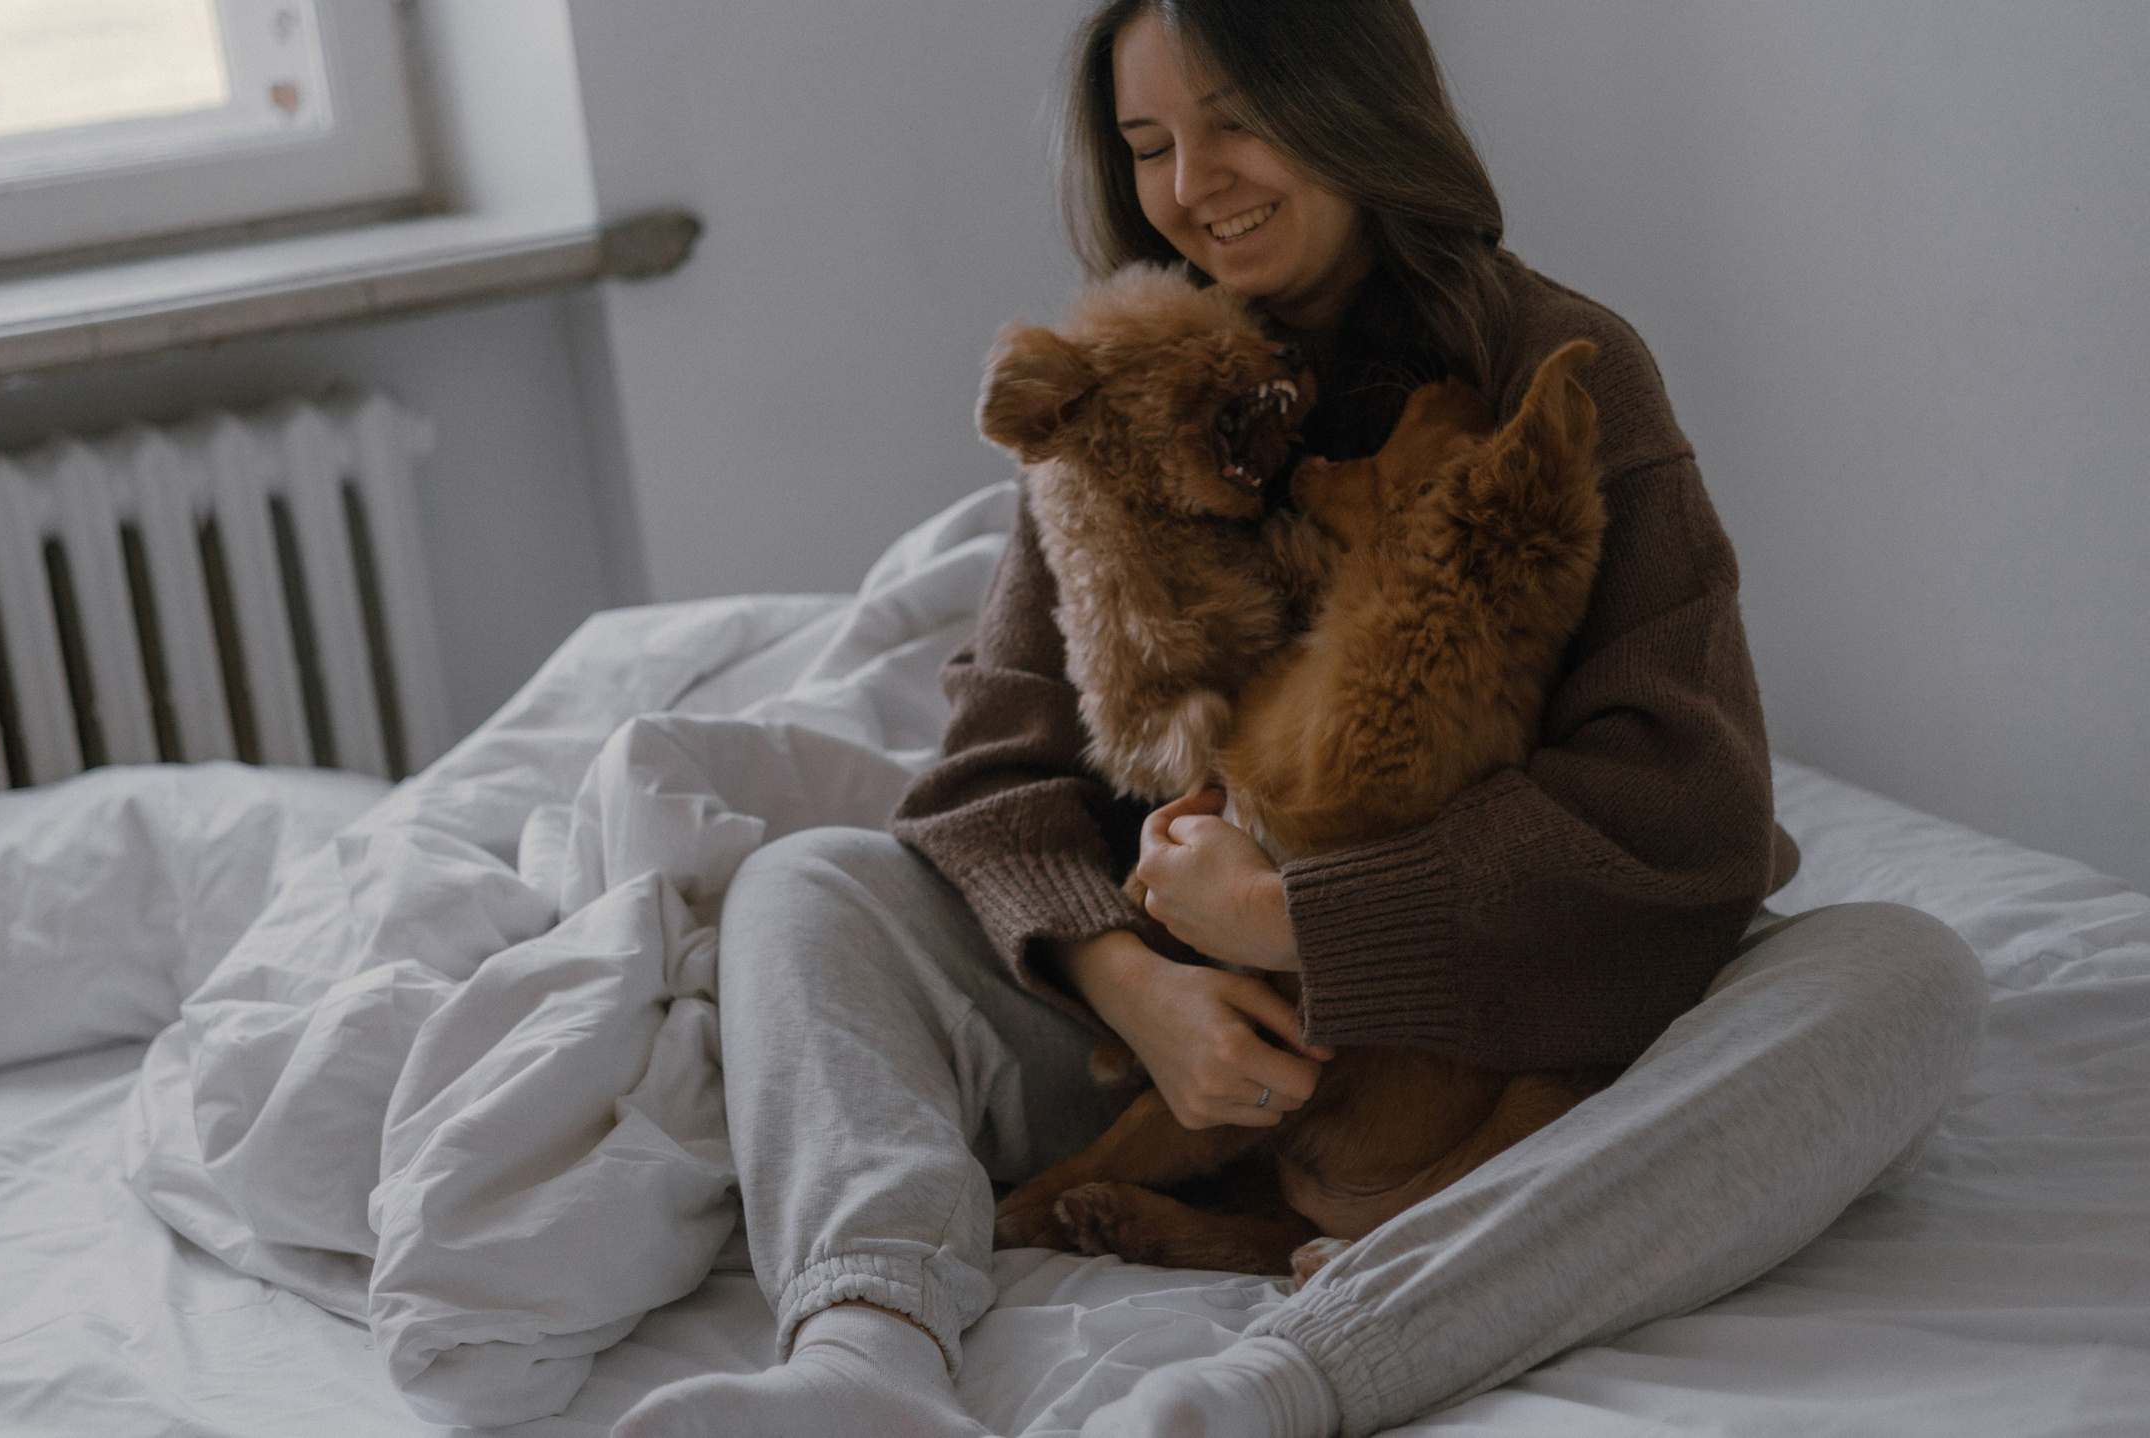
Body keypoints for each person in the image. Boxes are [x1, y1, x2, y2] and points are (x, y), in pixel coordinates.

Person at [615, 3, 1986, 1435]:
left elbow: (1687, 802)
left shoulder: (1564, 362)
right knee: (803, 886)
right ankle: (864, 1348)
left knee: (1902, 975)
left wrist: (1302, 926)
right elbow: (990, 772)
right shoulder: (1126, 377)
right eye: (1148, 145)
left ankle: (1303, 1368)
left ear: (1352, 99)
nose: (1190, 183)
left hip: (1492, 1049)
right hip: (1151, 1056)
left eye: (1234, 122)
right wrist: (1140, 992)